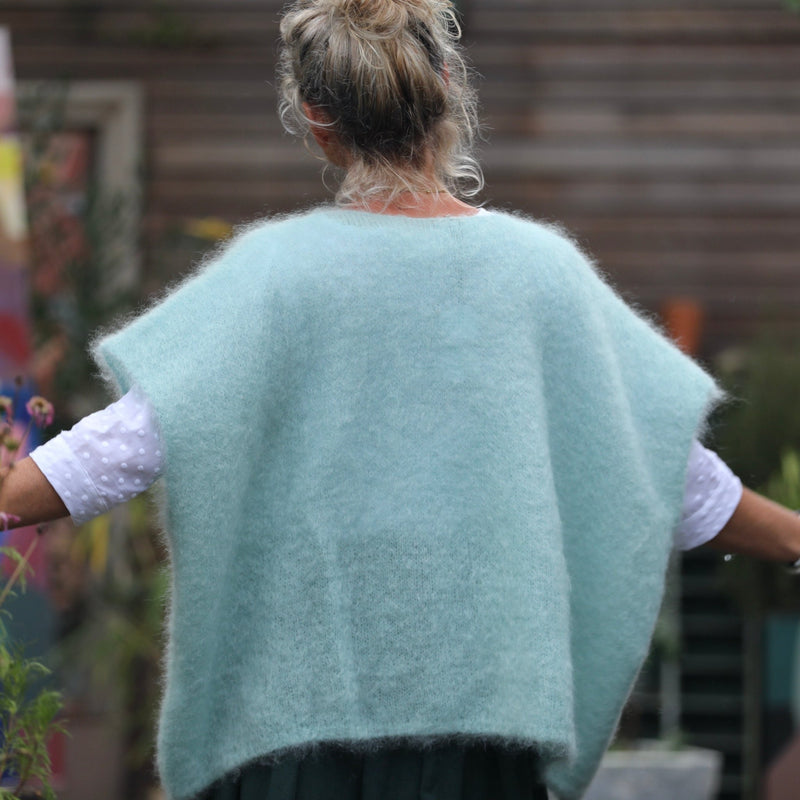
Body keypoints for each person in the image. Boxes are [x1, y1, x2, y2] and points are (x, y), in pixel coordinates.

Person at [2, 1, 800, 798]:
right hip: (478, 746)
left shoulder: (269, 275)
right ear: (447, 86)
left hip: (292, 743)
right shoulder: (539, 275)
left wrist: (11, 493)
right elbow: (666, 469)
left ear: (316, 118)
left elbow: (123, 447)